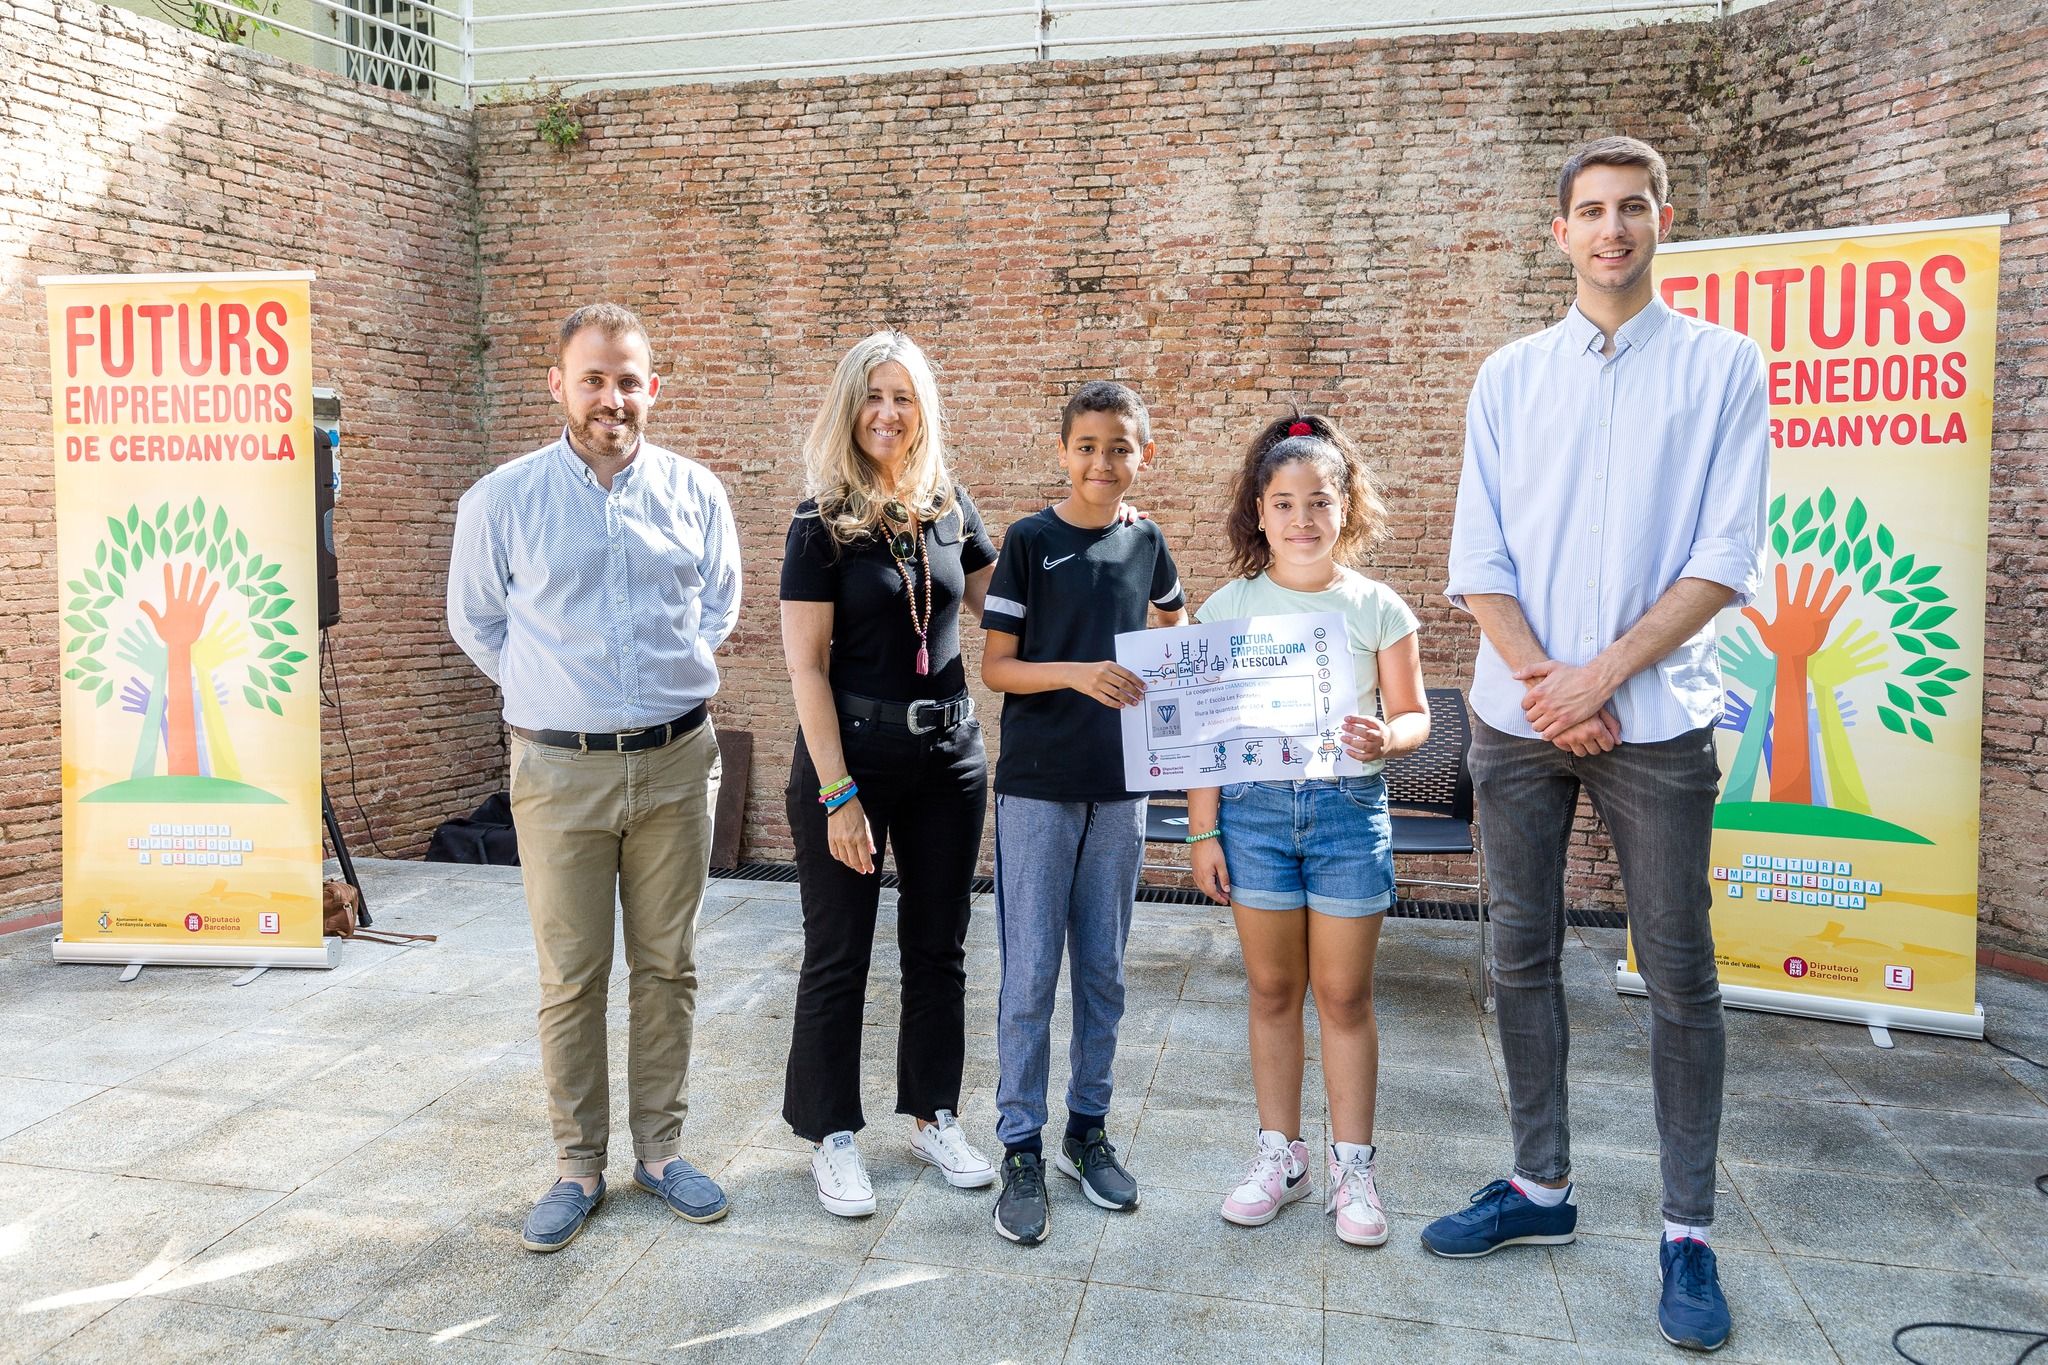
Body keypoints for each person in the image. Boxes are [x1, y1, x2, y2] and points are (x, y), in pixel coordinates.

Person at [1435, 135, 1770, 1353]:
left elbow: (1722, 557)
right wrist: (1548, 686)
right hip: (1515, 715)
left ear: (1661, 220)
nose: (1611, 229)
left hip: (1658, 718)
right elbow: (1479, 563)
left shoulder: (1724, 367)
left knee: (1679, 974)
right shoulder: (1507, 377)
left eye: (1631, 208)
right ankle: (1539, 1190)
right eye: (1589, 211)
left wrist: (1604, 677)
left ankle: (1686, 1230)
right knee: (1518, 955)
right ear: (1558, 232)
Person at [447, 302, 740, 1252]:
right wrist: (553, 687)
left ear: (652, 387)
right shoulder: (502, 501)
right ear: (558, 385)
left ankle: (661, 1152)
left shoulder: (696, 492)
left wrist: (657, 688)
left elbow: (718, 607)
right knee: (572, 976)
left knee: (669, 965)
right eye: (592, 378)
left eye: (627, 379)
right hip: (558, 771)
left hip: (675, 763)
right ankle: (579, 1166)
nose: (611, 397)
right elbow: (478, 623)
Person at [1187, 412, 1429, 1249]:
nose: (1301, 519)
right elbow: (1205, 732)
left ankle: (1352, 1166)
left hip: (1345, 811)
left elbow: (1414, 715)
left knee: (1345, 995)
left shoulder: (1375, 606)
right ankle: (1279, 1154)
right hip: (1253, 813)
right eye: (1284, 503)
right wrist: (1202, 830)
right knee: (1270, 990)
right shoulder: (1227, 604)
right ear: (1259, 510)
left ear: (1345, 507)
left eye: (1318, 502)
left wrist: (1387, 736)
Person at [778, 330, 1000, 1217]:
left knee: (938, 947)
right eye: (874, 395)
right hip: (853, 758)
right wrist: (838, 792)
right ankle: (830, 1134)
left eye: (904, 397)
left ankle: (932, 1112)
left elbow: (1008, 606)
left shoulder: (950, 505)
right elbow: (804, 667)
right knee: (839, 952)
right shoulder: (819, 520)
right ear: (849, 405)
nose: (889, 412)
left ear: (924, 410)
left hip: (949, 757)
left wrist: (1115, 547)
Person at [978, 380, 1188, 1245]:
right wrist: (1077, 671)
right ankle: (1019, 1144)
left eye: (1121, 447)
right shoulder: (1030, 539)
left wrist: (1185, 673)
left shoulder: (1148, 542)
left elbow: (1176, 624)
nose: (1104, 462)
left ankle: (1085, 1130)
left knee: (1102, 969)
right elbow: (996, 667)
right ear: (1063, 451)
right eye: (1088, 446)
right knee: (1030, 971)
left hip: (1123, 786)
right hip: (1036, 785)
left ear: (1145, 453)